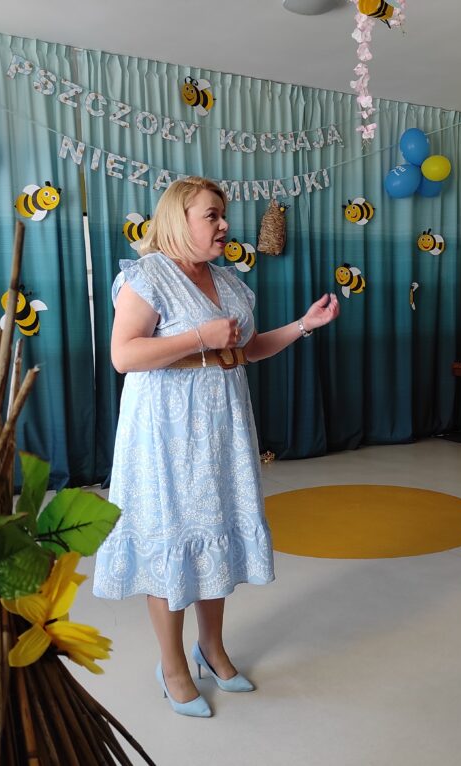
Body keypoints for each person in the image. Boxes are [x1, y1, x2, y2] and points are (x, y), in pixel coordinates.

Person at [93, 177, 340, 718]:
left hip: (222, 429)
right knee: (171, 537)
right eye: (212, 215)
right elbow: (124, 355)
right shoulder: (147, 276)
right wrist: (198, 338)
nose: (225, 224)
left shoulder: (229, 282)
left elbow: (246, 350)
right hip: (165, 434)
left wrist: (304, 324)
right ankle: (172, 666)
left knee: (215, 532)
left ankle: (212, 649)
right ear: (179, 220)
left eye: (223, 215)